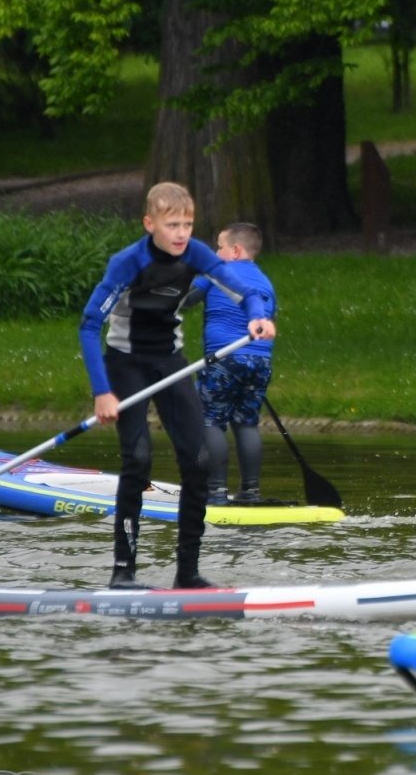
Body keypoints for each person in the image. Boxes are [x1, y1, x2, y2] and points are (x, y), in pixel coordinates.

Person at [78, 183, 277, 590]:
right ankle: (123, 572)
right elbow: (89, 325)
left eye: (187, 224)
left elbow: (244, 291)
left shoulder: (197, 254)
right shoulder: (127, 263)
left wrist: (257, 315)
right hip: (126, 363)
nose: (182, 233)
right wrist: (102, 391)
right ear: (150, 224)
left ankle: (188, 573)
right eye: (172, 225)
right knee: (138, 460)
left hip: (170, 363)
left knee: (199, 461)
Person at [188, 222, 276, 507]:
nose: (216, 253)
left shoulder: (218, 271)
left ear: (235, 250)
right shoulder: (265, 282)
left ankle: (215, 492)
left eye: (219, 247)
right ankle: (251, 491)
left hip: (225, 358)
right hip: (260, 361)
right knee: (246, 423)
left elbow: (186, 300)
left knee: (209, 419)